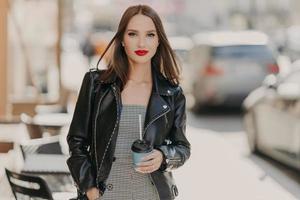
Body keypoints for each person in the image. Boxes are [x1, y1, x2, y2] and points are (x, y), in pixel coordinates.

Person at [67, 4, 191, 200]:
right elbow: (76, 142)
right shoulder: (96, 85)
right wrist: (90, 189)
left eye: (150, 34)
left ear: (159, 40)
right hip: (105, 195)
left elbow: (182, 147)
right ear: (122, 40)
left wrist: (163, 156)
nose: (141, 43)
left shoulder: (172, 93)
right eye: (133, 34)